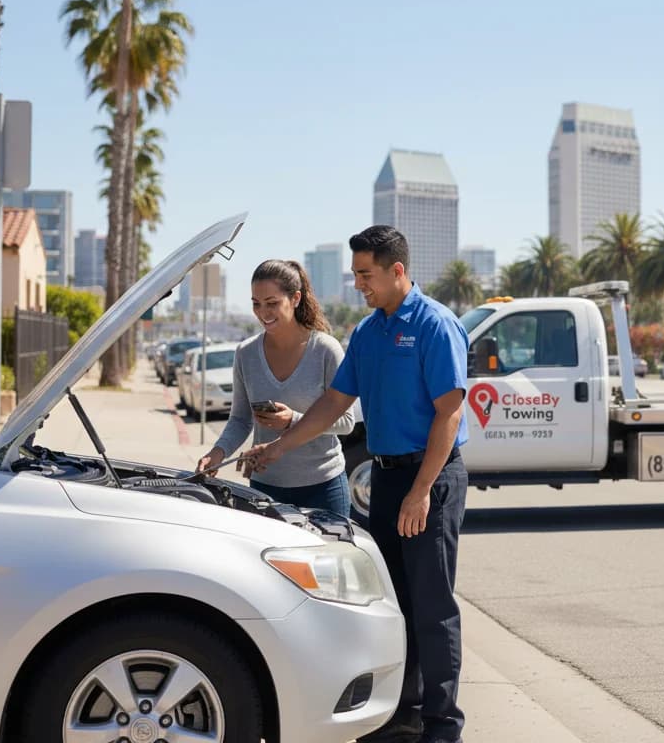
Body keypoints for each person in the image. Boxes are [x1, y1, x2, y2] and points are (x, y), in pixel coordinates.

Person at [242, 226, 469, 743]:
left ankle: (442, 724)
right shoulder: (368, 333)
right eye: (355, 274)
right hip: (387, 479)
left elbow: (449, 416)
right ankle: (404, 715)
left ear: (397, 270)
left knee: (432, 607)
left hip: (430, 479)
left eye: (365, 274)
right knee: (393, 604)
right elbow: (333, 404)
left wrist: (421, 491)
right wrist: (278, 447)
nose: (358, 283)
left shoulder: (435, 325)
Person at [196, 259, 354, 517]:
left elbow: (346, 421)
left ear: (295, 299)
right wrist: (217, 453)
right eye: (256, 304)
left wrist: (292, 419)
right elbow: (240, 419)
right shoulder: (245, 353)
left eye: (272, 303)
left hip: (324, 489)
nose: (263, 313)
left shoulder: (326, 350)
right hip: (264, 490)